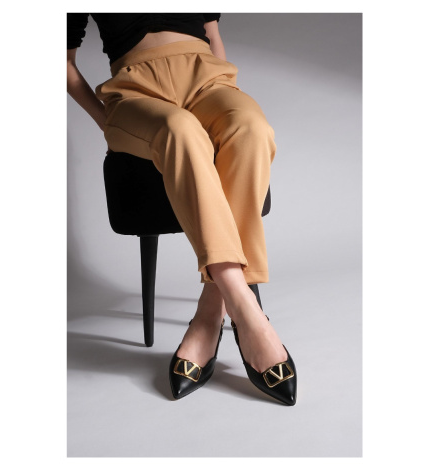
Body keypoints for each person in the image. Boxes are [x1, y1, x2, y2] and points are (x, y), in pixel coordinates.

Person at [67, 13, 297, 405]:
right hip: (134, 90)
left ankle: (211, 312)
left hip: (207, 77)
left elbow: (211, 33)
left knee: (251, 129)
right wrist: (107, 121)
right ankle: (248, 313)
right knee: (181, 131)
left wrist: (225, 92)